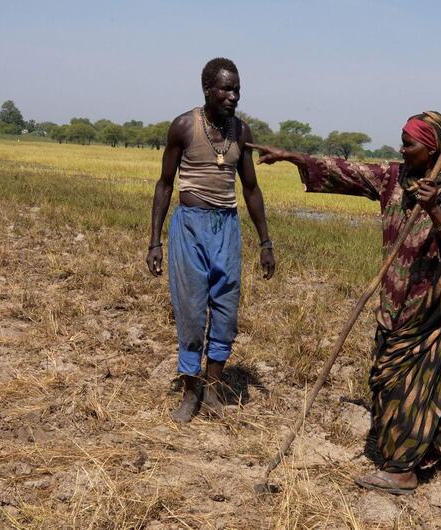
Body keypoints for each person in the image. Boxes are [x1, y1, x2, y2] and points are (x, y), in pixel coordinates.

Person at [249, 111, 441, 495]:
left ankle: (402, 470)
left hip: (430, 307)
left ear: (432, 148)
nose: (402, 150)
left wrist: (433, 209)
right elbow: (350, 172)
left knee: (412, 384)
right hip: (394, 299)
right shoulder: (396, 178)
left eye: (409, 144)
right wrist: (293, 157)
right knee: (388, 378)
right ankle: (427, 450)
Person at [147, 58, 276, 424]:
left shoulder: (241, 132)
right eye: (226, 89)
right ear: (207, 89)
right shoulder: (184, 126)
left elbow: (251, 189)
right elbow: (165, 185)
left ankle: (214, 390)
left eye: (237, 89)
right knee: (190, 311)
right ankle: (191, 392)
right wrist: (154, 241)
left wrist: (265, 242)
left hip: (227, 228)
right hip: (190, 227)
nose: (234, 96)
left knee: (225, 310)